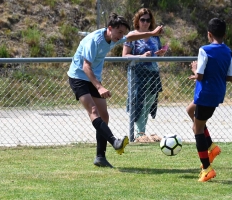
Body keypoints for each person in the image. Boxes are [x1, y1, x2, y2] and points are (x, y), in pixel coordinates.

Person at [67, 13, 163, 168]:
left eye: (123, 33)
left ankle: (100, 157)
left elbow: (131, 37)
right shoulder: (94, 41)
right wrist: (99, 87)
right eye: (119, 33)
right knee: (93, 111)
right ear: (110, 28)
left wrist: (152, 33)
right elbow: (86, 66)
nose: (121, 36)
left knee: (104, 116)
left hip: (93, 78)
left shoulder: (113, 37)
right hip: (79, 77)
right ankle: (114, 141)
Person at [188, 18, 232, 182]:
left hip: (205, 94)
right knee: (190, 110)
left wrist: (194, 70)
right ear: (225, 34)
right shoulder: (228, 52)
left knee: (197, 129)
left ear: (209, 34)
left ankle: (207, 169)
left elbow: (200, 75)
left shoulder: (204, 50)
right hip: (216, 93)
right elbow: (230, 77)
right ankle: (212, 147)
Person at [122, 8, 167, 142]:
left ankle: (142, 131)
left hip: (153, 73)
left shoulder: (155, 37)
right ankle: (139, 133)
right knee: (138, 101)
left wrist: (161, 53)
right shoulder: (132, 35)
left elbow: (157, 53)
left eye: (148, 20)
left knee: (149, 102)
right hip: (137, 74)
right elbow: (125, 55)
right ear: (137, 20)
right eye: (143, 20)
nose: (145, 23)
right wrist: (140, 56)